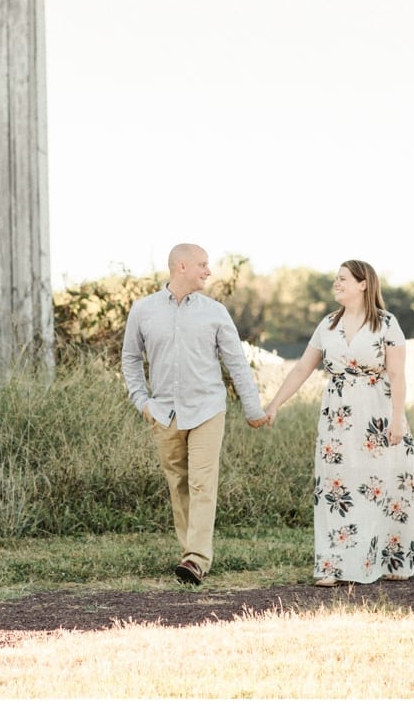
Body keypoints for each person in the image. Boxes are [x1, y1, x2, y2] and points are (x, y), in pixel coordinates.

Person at [264, 260, 414, 586]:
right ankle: (331, 565)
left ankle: (389, 559)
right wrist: (274, 404)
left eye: (343, 279)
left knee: (382, 484)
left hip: (377, 415)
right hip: (337, 415)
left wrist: (397, 420)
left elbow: (396, 375)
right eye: (335, 279)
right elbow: (301, 369)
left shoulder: (387, 324)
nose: (336, 284)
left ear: (364, 284)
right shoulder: (328, 324)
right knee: (336, 486)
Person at [122, 243, 272, 585]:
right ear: (182, 267)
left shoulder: (215, 312)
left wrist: (253, 408)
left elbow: (236, 362)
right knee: (179, 483)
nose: (208, 271)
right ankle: (190, 551)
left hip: (207, 409)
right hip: (162, 412)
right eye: (202, 264)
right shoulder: (143, 311)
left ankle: (195, 560)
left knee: (203, 482)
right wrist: (141, 402)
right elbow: (130, 359)